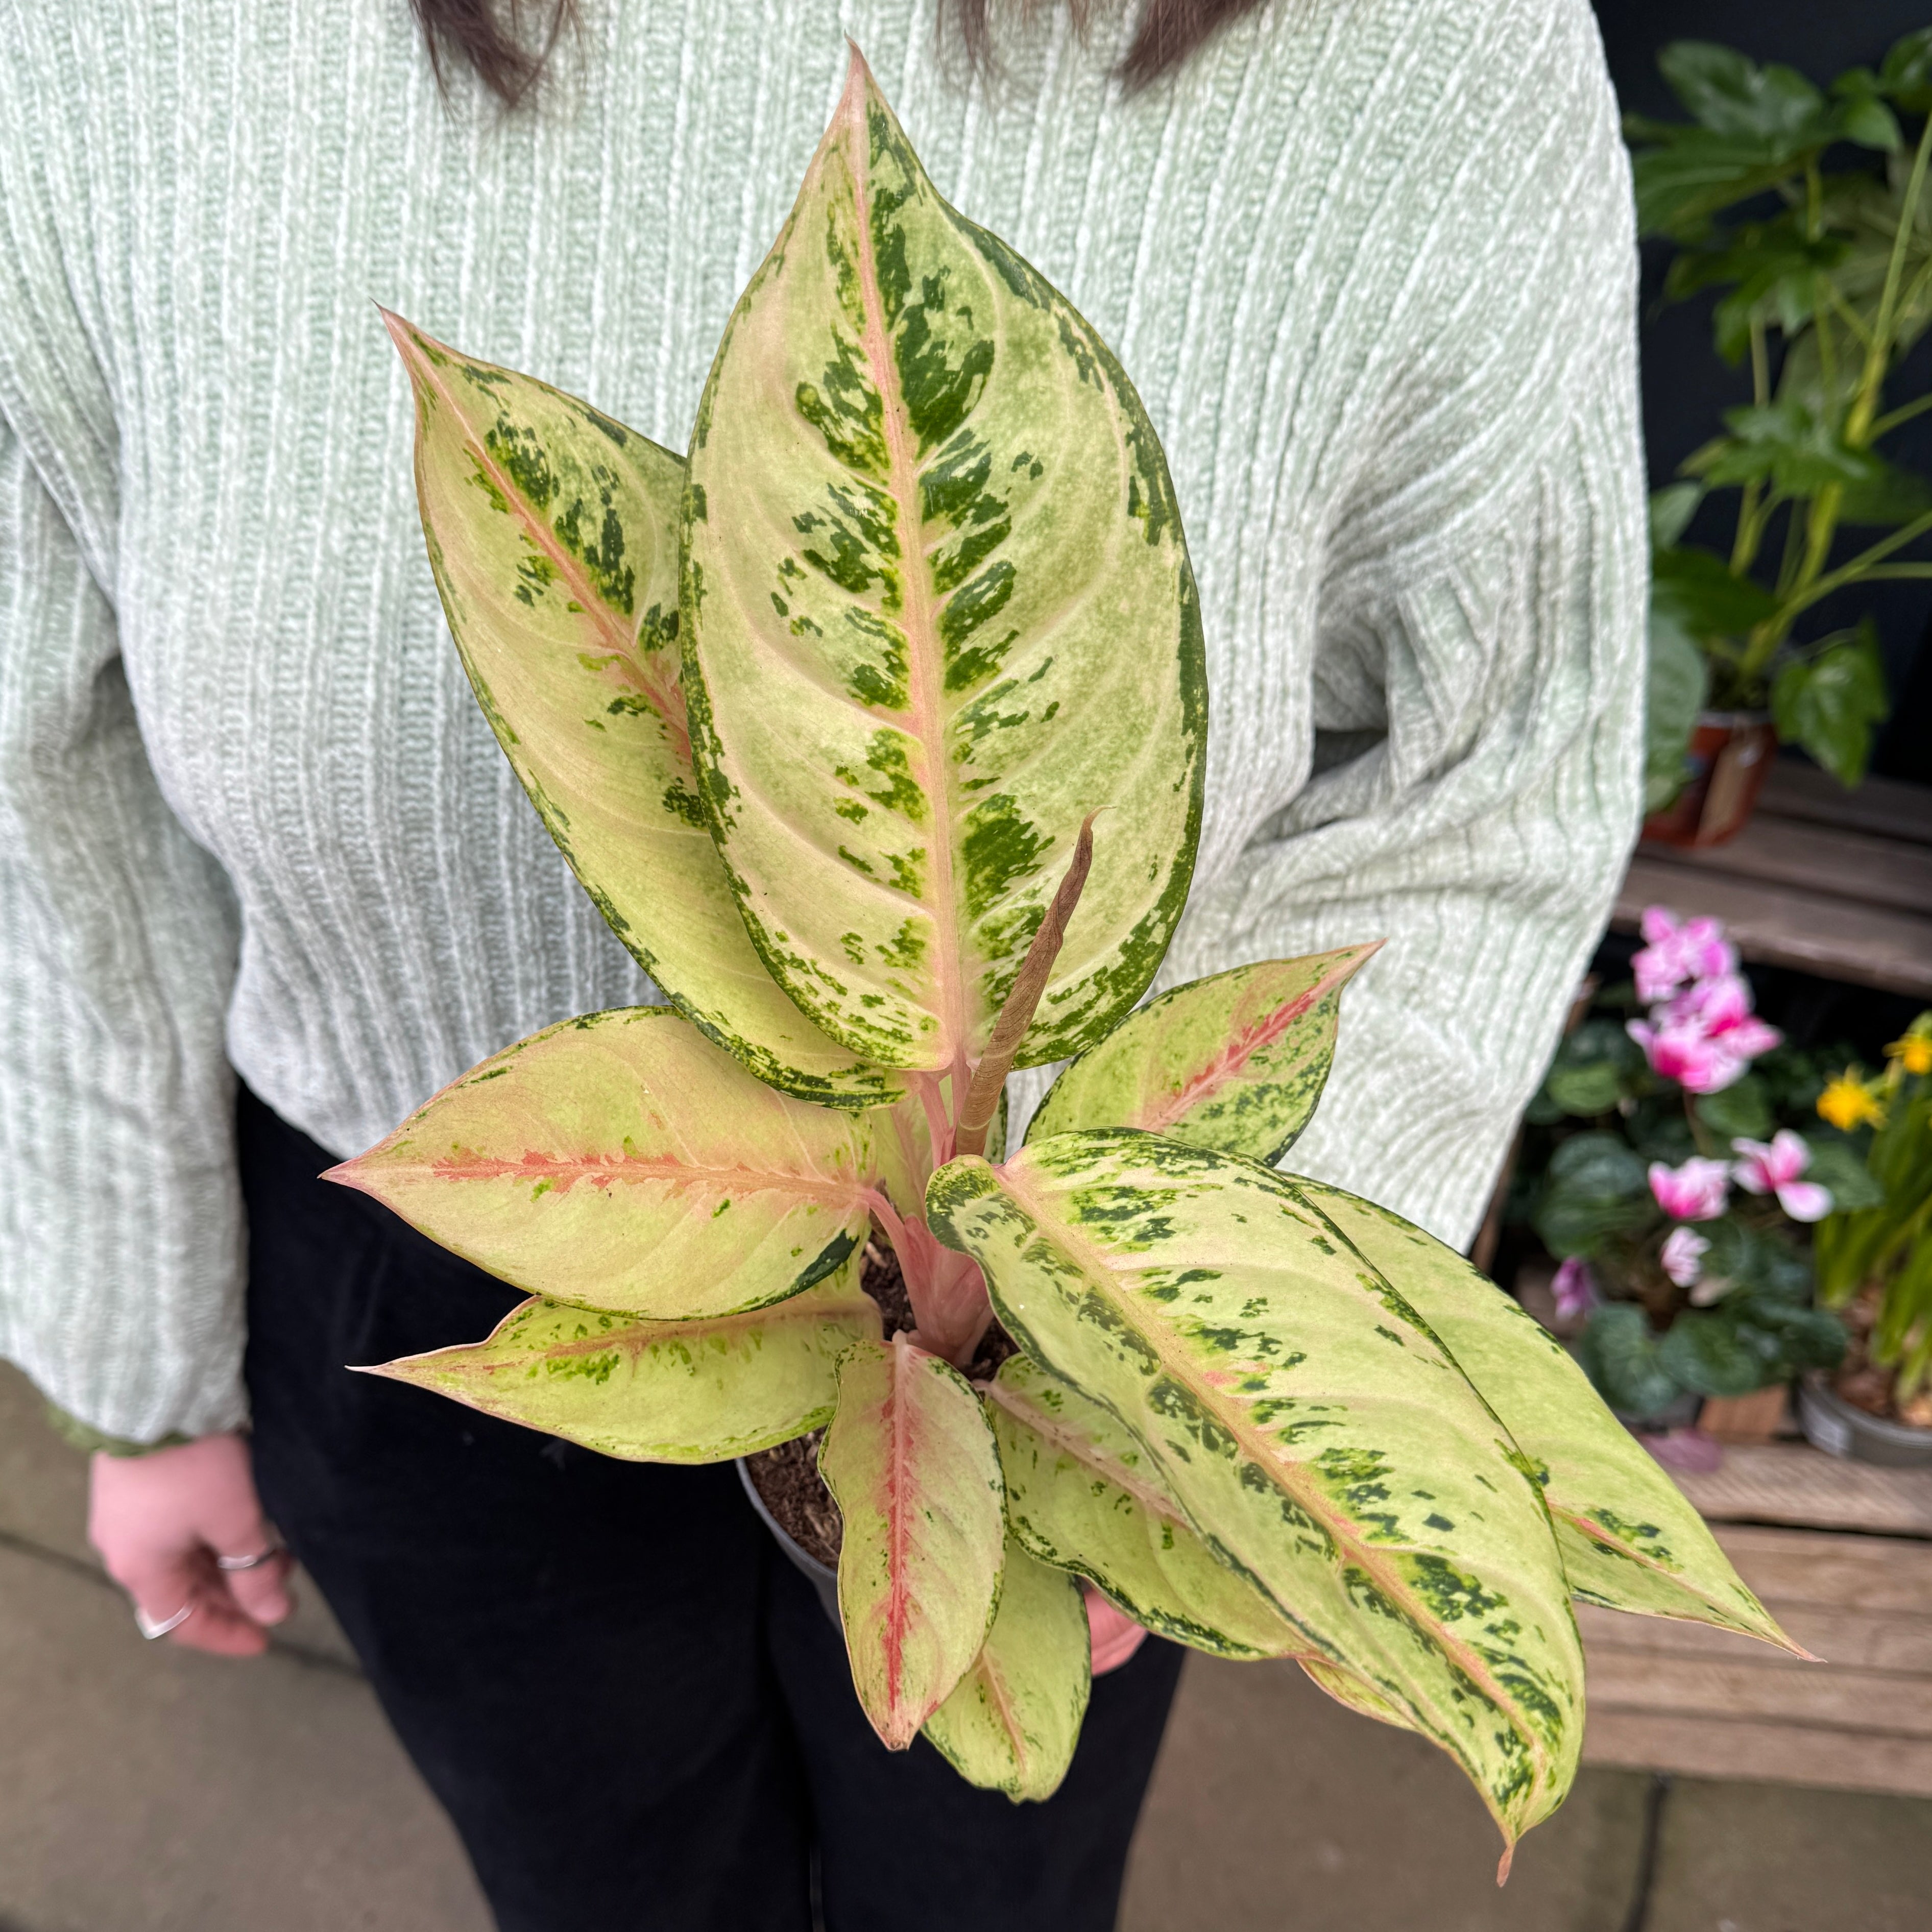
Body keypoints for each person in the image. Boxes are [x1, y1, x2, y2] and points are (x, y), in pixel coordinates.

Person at [0, 1, 1644, 1926]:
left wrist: (1204, 1389)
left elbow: (1490, 776)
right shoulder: (107, 50)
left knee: (986, 1898)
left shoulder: (1434, 53)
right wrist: (139, 1364)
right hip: (433, 1261)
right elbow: (44, 765)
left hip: (1073, 1330)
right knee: (606, 1885)